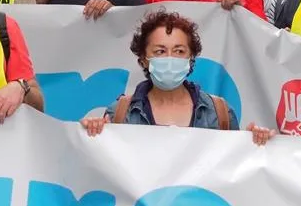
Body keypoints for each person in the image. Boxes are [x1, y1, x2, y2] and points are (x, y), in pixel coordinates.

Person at [80, 9, 274, 145]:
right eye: (160, 51)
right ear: (144, 59)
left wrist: (254, 142)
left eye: (179, 51)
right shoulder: (120, 113)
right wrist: (93, 134)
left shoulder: (219, 112)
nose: (170, 58)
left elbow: (234, 168)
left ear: (191, 58)